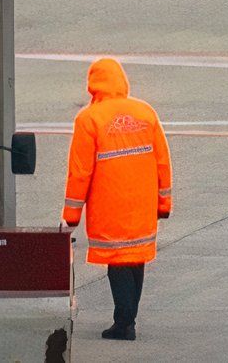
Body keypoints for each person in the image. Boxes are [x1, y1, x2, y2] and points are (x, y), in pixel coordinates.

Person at [61, 52, 170, 340]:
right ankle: (128, 319)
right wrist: (164, 203)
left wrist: (71, 214)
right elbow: (162, 162)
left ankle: (124, 324)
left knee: (118, 260)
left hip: (110, 206)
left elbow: (80, 172)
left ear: (93, 85)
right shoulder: (146, 113)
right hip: (143, 205)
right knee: (135, 259)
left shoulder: (89, 119)